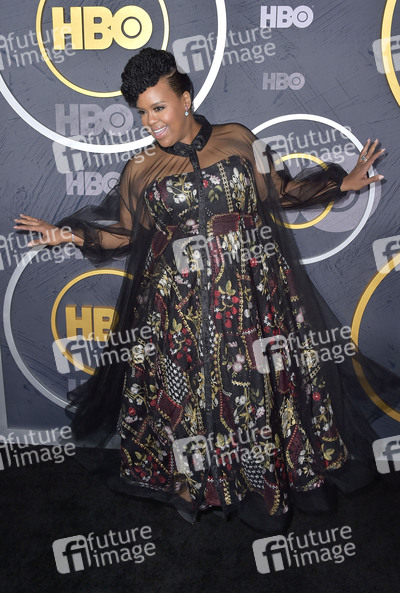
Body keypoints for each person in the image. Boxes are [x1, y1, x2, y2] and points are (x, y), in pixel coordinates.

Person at [14, 48, 391, 532]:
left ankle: (263, 486)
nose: (150, 122)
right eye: (142, 113)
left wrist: (343, 184)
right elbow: (125, 235)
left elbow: (281, 191)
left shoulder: (238, 139)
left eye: (158, 108)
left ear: (186, 99)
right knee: (191, 401)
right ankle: (200, 485)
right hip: (181, 308)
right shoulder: (141, 169)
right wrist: (69, 234)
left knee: (255, 394)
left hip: (252, 298)